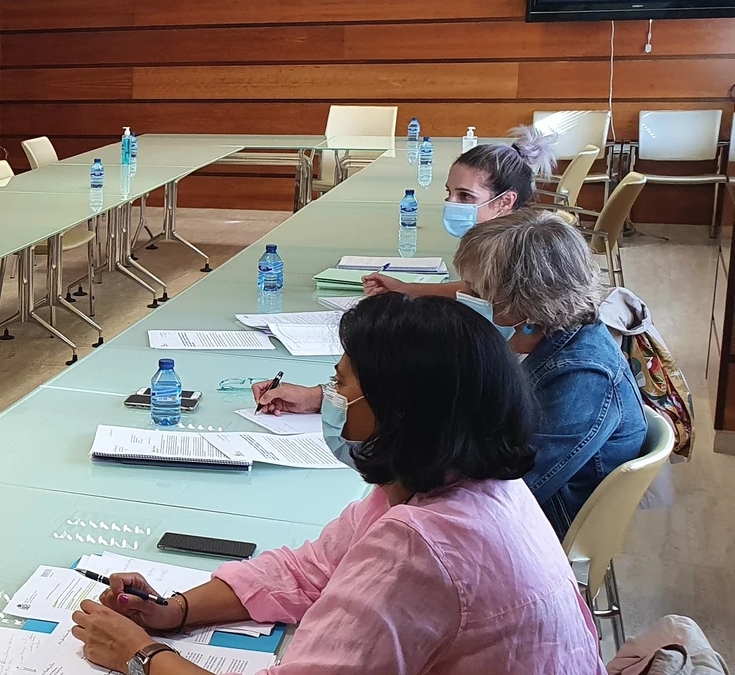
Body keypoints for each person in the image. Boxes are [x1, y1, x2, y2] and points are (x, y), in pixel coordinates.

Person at [75, 294, 621, 675]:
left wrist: (141, 657)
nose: (330, 400)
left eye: (340, 384)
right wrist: (176, 610)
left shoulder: (423, 548)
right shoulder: (468, 485)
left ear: (396, 410)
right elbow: (308, 569)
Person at [259, 209, 646, 535]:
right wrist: (336, 398)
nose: (462, 298)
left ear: (523, 303)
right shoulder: (539, 333)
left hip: (533, 528)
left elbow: (508, 487)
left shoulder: (581, 377)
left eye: (476, 292)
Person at [361, 124, 555, 299]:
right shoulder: (492, 240)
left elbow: (492, 311)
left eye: (465, 196)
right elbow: (473, 291)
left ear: (505, 201)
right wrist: (405, 288)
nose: (450, 202)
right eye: (449, 192)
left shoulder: (520, 255)